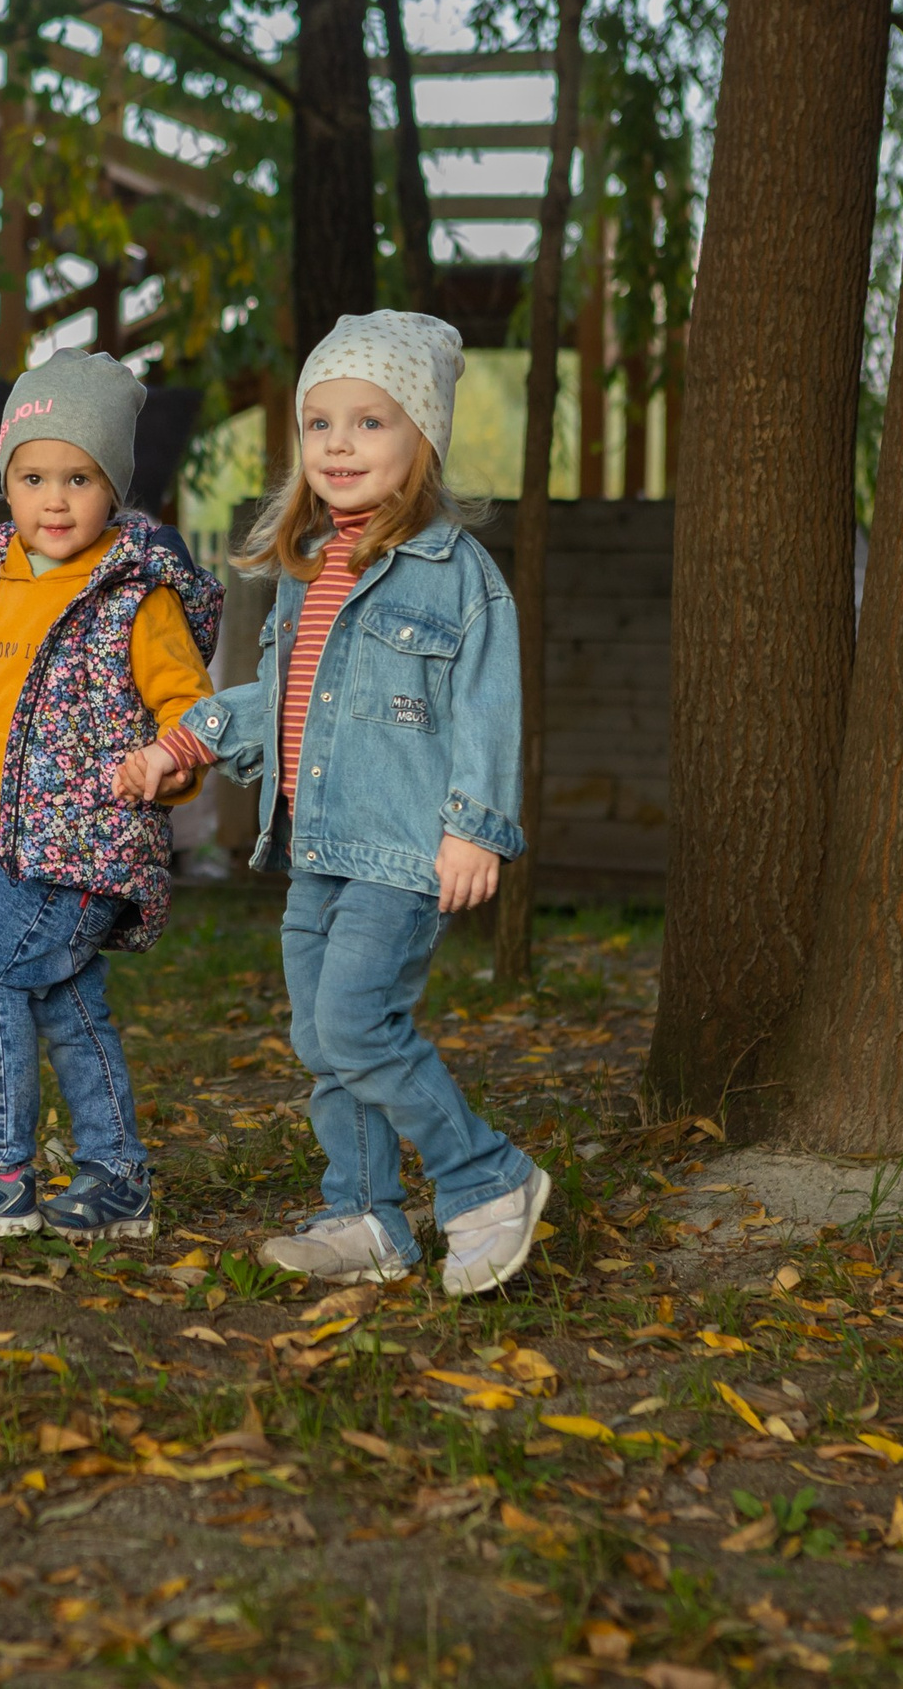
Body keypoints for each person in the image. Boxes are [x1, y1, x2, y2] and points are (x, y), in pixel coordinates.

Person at [117, 310, 547, 1294]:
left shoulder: (455, 577)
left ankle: (486, 1181)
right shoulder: (309, 573)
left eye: (370, 423)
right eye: (320, 425)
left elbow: (488, 706)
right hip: (313, 847)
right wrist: (185, 739)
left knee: (357, 1024)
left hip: (400, 852)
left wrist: (472, 829)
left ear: (422, 439)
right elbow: (279, 702)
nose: (339, 446)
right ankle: (363, 1218)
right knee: (320, 1040)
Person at [0, 348, 222, 1241]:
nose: (56, 499)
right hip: (12, 842)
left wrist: (167, 759)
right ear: (7, 481)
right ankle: (117, 1180)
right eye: (33, 476)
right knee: (69, 1003)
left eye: (80, 477)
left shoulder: (131, 593)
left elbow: (193, 704)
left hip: (88, 843)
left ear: (114, 486)